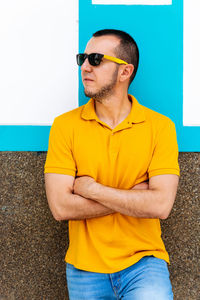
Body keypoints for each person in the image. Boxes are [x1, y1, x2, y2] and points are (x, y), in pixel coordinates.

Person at [44, 29, 180, 299]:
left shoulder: (160, 127)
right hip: (84, 267)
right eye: (82, 58)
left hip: (144, 263)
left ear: (125, 71)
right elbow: (60, 207)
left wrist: (92, 190)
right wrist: (135, 195)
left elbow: (161, 206)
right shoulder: (64, 126)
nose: (85, 67)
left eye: (95, 59)